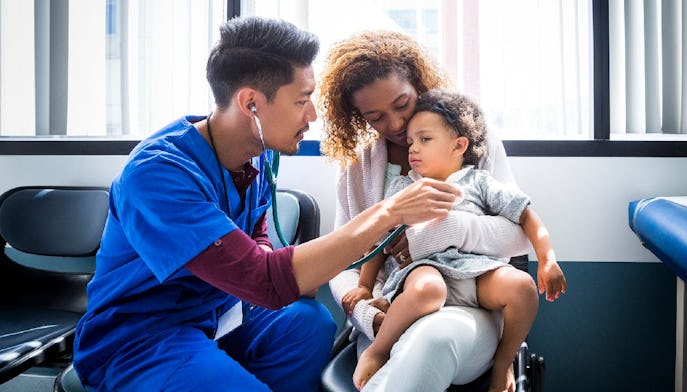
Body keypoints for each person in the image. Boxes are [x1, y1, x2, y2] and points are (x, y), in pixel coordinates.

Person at [72, 17, 463, 392]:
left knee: (309, 323)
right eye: (302, 101)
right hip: (142, 335)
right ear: (251, 103)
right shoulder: (158, 176)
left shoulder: (260, 151)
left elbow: (256, 230)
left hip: (220, 314)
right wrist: (390, 212)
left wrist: (274, 263)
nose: (312, 116)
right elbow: (264, 282)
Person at [318, 30, 564, 391]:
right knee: (419, 328)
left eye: (402, 104)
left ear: (419, 83)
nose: (397, 125)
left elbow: (517, 236)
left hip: (472, 307)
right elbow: (344, 260)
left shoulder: (471, 144)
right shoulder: (358, 169)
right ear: (358, 117)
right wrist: (368, 314)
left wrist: (439, 231)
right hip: (394, 311)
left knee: (435, 337)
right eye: (376, 117)